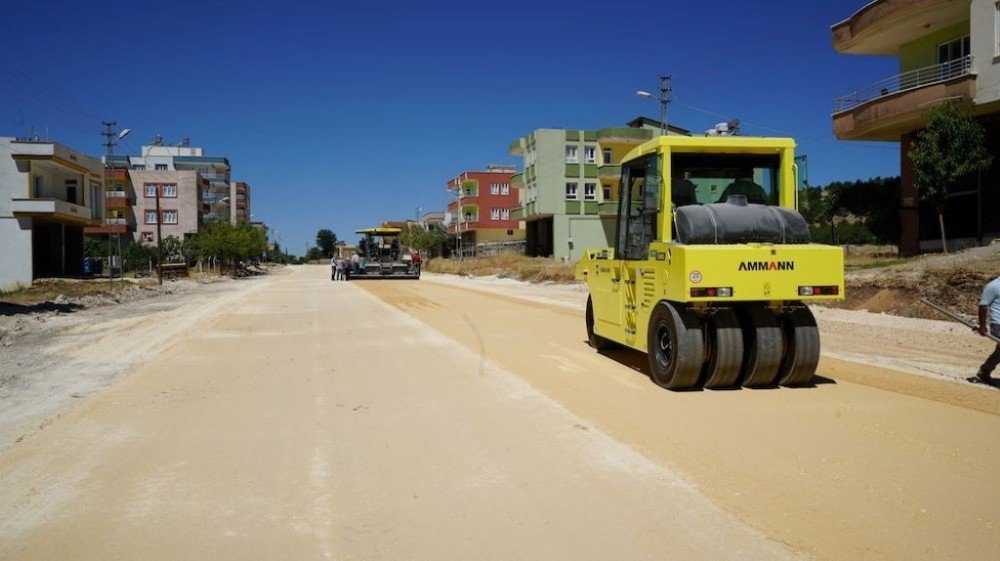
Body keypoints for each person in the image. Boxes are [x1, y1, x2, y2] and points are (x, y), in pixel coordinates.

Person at [976, 274, 1000, 385]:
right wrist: (982, 325)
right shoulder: (993, 286)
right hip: (998, 323)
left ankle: (984, 371)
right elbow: (983, 306)